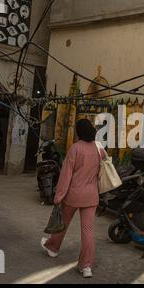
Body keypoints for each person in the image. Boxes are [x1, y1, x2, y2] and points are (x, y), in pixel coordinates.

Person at [41, 119, 105, 279]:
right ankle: (86, 266)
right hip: (91, 196)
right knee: (88, 231)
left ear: (79, 132)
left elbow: (66, 175)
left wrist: (58, 196)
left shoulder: (75, 148)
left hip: (73, 195)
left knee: (62, 223)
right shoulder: (99, 148)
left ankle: (52, 248)